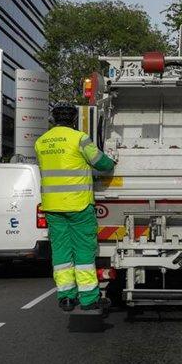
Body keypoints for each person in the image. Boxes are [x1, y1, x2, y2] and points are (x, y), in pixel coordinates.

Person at [35, 103, 116, 312]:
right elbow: (100, 162)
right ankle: (89, 298)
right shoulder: (79, 139)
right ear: (73, 120)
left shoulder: (41, 142)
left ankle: (66, 297)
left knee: (61, 252)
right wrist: (112, 162)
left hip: (53, 207)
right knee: (83, 251)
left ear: (53, 119)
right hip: (78, 205)